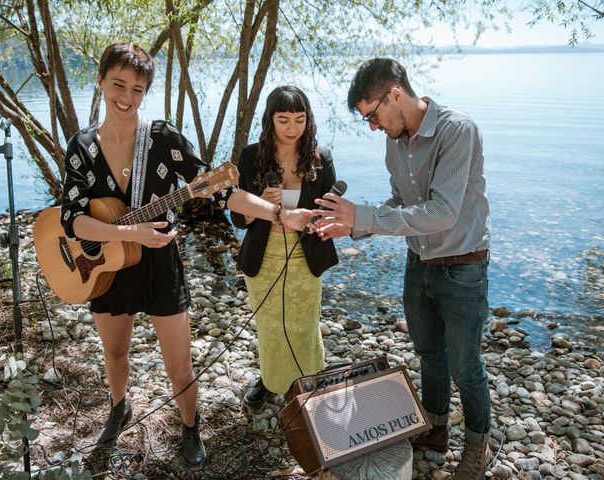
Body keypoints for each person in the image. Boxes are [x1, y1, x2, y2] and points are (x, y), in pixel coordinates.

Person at [60, 43, 312, 471]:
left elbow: (223, 191)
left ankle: (190, 427)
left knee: (180, 363)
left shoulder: (163, 138)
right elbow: (72, 219)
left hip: (160, 262)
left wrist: (277, 212)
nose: (127, 96)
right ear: (101, 81)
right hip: (105, 266)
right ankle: (118, 407)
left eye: (138, 89)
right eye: (118, 84)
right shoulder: (82, 146)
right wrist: (125, 231)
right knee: (115, 352)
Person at [311, 58, 492, 480]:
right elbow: (402, 206)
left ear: (395, 94)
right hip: (419, 263)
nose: (372, 127)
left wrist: (366, 216)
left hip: (464, 266)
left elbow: (442, 213)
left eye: (372, 115)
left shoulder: (456, 130)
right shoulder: (394, 142)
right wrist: (351, 225)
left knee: (466, 365)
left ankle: (477, 448)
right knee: (429, 352)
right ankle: (436, 428)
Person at [230, 86, 338, 410]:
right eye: (284, 120)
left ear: (309, 120)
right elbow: (239, 218)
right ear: (270, 120)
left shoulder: (321, 157)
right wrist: (260, 203)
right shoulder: (251, 156)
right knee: (270, 324)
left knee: (304, 324)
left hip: (306, 254)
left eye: (300, 120)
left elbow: (331, 211)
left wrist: (321, 217)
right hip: (264, 254)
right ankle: (269, 381)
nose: (293, 129)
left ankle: (309, 382)